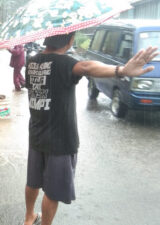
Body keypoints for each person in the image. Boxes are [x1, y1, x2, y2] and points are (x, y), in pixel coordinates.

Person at [23, 33, 158, 225]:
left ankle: (29, 217)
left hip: (36, 133)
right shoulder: (66, 63)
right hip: (60, 140)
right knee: (52, 192)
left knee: (33, 181)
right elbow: (87, 67)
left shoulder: (32, 61)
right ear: (70, 40)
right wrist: (122, 70)